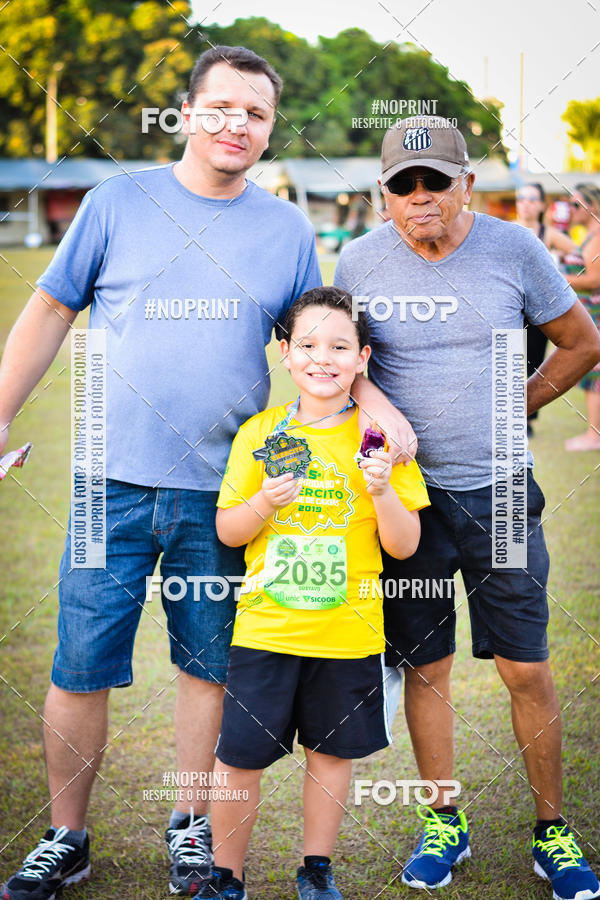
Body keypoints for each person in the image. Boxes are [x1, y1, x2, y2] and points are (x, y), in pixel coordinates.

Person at [0, 45, 416, 900]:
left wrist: (381, 408)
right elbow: (47, 309)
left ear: (268, 132)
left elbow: (316, 340)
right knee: (80, 665)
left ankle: (192, 829)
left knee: (207, 668)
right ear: (188, 113)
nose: (238, 125)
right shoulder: (118, 202)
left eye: (256, 114)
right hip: (103, 483)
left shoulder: (285, 230)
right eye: (222, 107)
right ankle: (64, 836)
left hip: (221, 493)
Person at [335, 116, 600, 900]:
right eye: (403, 185)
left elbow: (582, 341)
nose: (421, 198)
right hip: (406, 500)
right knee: (427, 667)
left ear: (466, 186)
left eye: (436, 182)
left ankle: (553, 831)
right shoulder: (357, 260)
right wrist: (378, 409)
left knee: (525, 665)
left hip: (503, 491)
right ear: (383, 196)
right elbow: (339, 363)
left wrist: (519, 403)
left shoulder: (515, 250)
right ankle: (444, 823)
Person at [191, 287, 429, 900]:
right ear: (285, 353)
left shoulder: (379, 440)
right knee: (240, 757)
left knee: (330, 754)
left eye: (339, 347)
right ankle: (226, 876)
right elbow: (228, 529)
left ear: (362, 358)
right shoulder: (261, 433)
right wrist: (264, 502)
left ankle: (316, 870)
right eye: (308, 345)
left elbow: (404, 546)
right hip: (266, 630)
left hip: (347, 634)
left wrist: (382, 493)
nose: (323, 359)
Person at [515, 182, 576, 436]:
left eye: (532, 198)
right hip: (510, 308)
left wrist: (560, 277)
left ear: (541, 205)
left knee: (533, 363)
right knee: (505, 362)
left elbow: (580, 254)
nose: (526, 203)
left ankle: (526, 419)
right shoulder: (506, 230)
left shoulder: (547, 233)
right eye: (521, 198)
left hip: (539, 312)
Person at [563, 183, 600, 451]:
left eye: (576, 205)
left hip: (595, 313)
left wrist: (560, 278)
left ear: (593, 206)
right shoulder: (588, 235)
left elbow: (596, 278)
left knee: (594, 376)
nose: (571, 210)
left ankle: (594, 436)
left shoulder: (596, 236)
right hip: (588, 312)